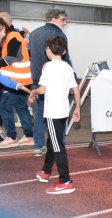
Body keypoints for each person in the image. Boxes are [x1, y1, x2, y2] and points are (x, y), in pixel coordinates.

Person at [30, 36, 80, 195]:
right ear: (64, 51)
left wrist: (34, 91)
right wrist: (77, 108)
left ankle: (66, 181)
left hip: (52, 112)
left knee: (57, 145)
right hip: (64, 112)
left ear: (48, 50)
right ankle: (46, 171)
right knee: (53, 141)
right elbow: (76, 90)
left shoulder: (48, 67)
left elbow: (42, 89)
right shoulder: (67, 67)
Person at [28, 8, 72, 157]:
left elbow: (32, 56)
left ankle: (38, 146)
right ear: (53, 19)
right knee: (59, 112)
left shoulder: (33, 34)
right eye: (63, 19)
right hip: (56, 80)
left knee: (39, 114)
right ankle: (59, 144)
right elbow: (65, 59)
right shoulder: (59, 35)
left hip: (37, 78)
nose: (65, 23)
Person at [0, 13, 34, 148]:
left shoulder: (12, 37)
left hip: (14, 80)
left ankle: (11, 137)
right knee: (21, 108)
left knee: (5, 107)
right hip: (22, 79)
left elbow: (12, 57)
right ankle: (28, 136)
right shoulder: (17, 36)